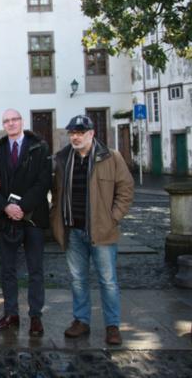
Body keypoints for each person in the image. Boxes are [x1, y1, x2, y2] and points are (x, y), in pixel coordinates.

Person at [51, 115, 134, 346]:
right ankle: (81, 320)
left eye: (80, 133)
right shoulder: (63, 159)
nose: (75, 137)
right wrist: (55, 217)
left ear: (91, 134)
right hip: (73, 230)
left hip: (101, 231)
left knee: (108, 281)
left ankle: (112, 326)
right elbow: (56, 193)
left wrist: (113, 217)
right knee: (78, 280)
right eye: (72, 133)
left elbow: (126, 189)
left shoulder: (111, 157)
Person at [0, 109, 51, 336]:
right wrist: (6, 207)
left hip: (33, 217)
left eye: (14, 119)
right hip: (7, 218)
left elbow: (44, 182)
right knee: (7, 270)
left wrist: (22, 207)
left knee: (35, 270)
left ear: (22, 121)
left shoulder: (39, 147)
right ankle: (11, 313)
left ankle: (35, 316)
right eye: (7, 121)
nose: (11, 123)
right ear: (3, 125)